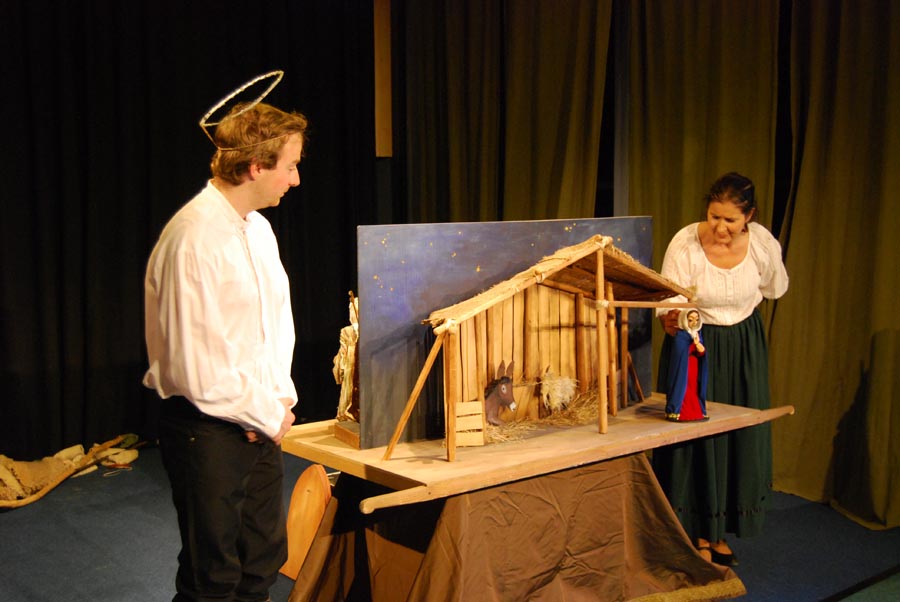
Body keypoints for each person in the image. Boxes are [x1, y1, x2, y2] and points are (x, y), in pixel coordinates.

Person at [143, 95, 308, 601]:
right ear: (256, 166)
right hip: (209, 429)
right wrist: (264, 412)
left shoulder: (258, 229)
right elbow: (196, 367)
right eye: (290, 166)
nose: (295, 179)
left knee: (262, 562)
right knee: (212, 576)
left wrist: (276, 400)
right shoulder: (193, 239)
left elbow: (272, 328)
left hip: (260, 423)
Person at [653, 172, 789, 566]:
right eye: (715, 216)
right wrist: (671, 318)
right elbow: (667, 298)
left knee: (738, 437)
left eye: (730, 219)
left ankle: (719, 530)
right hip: (696, 344)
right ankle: (694, 532)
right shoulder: (686, 242)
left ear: (749, 216)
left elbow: (775, 288)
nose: (721, 227)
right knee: (696, 436)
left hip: (744, 346)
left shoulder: (761, 243)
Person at [664, 309, 708, 422]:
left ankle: (697, 410)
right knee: (683, 387)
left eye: (696, 320)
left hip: (694, 366)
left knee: (694, 387)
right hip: (683, 367)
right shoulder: (680, 336)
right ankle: (679, 411)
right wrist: (693, 345)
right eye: (690, 320)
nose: (694, 322)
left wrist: (698, 345)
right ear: (684, 320)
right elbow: (680, 353)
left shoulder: (697, 334)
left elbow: (702, 352)